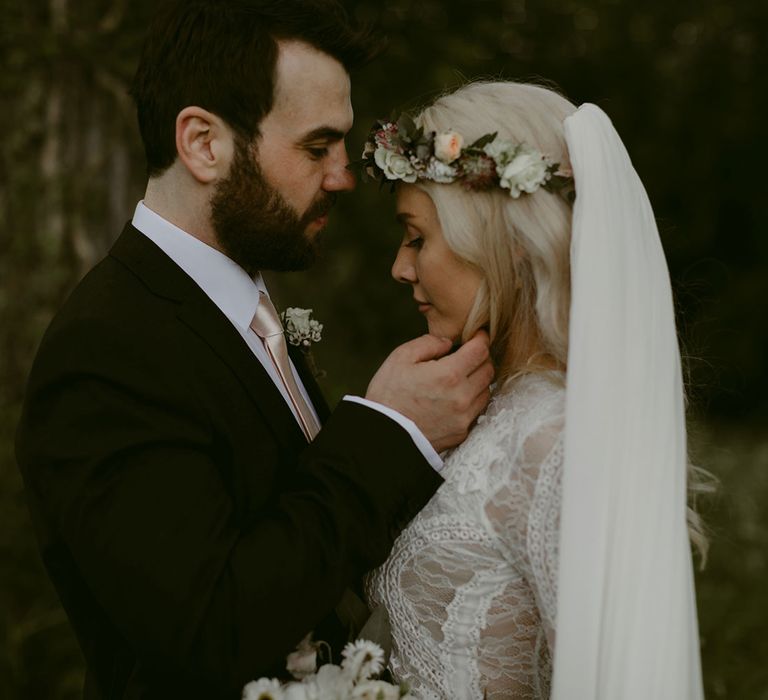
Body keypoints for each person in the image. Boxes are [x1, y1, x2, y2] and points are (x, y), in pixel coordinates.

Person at [14, 2, 495, 698]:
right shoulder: (109, 349)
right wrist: (386, 434)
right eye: (315, 148)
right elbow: (208, 628)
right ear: (203, 143)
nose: (342, 177)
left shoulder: (241, 307)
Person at [362, 81, 707, 699]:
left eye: (416, 238)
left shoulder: (556, 443)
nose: (400, 267)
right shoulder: (483, 410)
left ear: (497, 237)